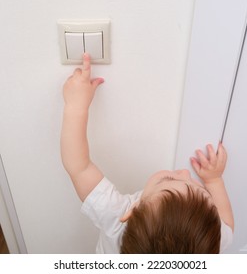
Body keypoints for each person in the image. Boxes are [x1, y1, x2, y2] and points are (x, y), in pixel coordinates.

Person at [61, 53, 234, 253]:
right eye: (203, 192)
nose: (185, 173)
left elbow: (79, 167)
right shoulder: (210, 238)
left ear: (131, 213)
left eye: (168, 179)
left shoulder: (115, 217)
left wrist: (75, 106)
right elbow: (227, 225)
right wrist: (214, 181)